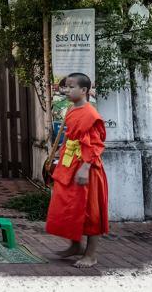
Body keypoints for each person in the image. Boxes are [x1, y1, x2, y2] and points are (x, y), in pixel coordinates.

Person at [46, 72, 109, 268]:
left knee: (90, 212)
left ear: (84, 90)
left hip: (86, 168)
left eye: (71, 86)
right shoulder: (72, 110)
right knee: (69, 207)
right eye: (65, 86)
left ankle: (91, 255)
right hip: (70, 163)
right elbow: (70, 139)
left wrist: (85, 167)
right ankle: (75, 245)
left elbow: (96, 144)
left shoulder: (91, 115)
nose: (66, 90)